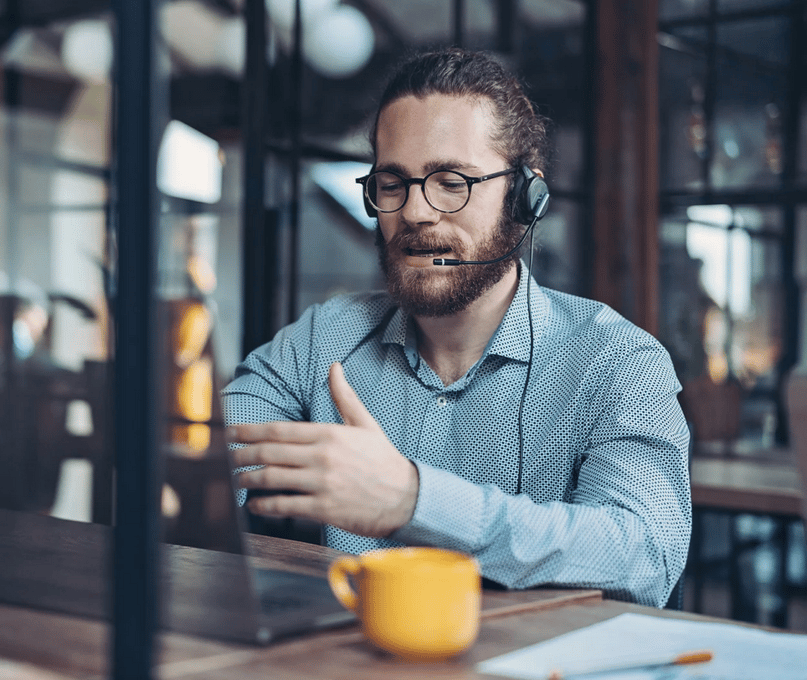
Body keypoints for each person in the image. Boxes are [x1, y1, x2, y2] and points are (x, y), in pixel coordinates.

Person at [222, 48, 690, 608]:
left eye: (451, 181)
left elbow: (642, 556)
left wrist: (413, 501)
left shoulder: (618, 361)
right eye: (393, 183)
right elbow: (209, 454)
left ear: (525, 197)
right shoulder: (325, 339)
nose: (416, 212)